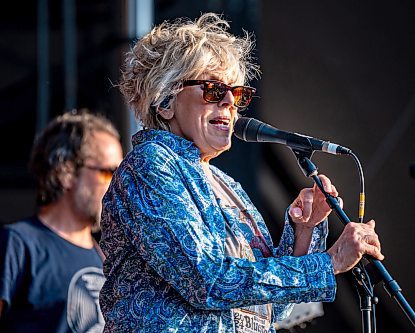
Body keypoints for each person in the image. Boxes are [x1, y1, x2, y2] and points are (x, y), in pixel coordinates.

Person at [99, 12, 384, 332]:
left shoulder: (225, 184)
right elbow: (207, 280)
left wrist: (303, 233)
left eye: (237, 95)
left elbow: (269, 310)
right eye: (212, 90)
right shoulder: (151, 165)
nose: (228, 104)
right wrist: (330, 263)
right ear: (165, 101)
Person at [0, 109, 123, 333]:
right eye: (108, 173)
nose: (118, 185)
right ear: (65, 172)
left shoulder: (106, 257)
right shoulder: (17, 243)